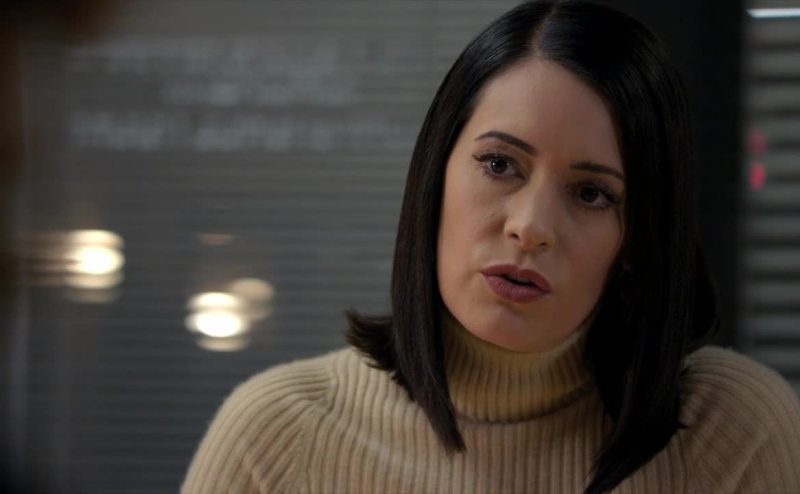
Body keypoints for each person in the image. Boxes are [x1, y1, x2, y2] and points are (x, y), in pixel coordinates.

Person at [182, 1, 800, 493]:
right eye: (500, 164)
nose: (530, 227)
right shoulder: (279, 435)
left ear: (638, 238)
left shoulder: (729, 431)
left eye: (591, 194)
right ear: (435, 177)